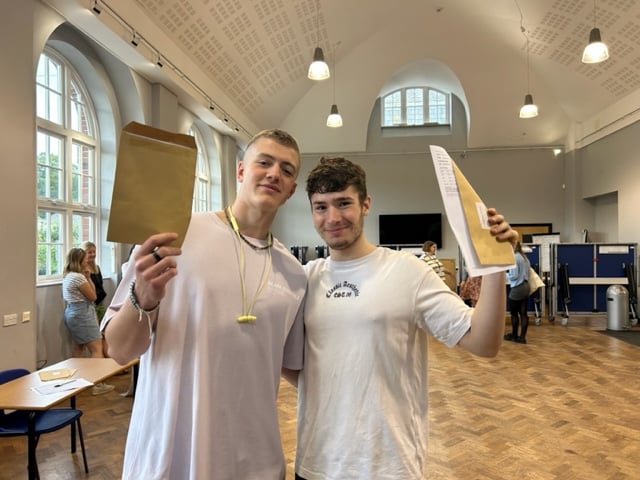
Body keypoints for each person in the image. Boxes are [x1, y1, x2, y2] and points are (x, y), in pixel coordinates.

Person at [293, 157, 518, 480]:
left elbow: (484, 342)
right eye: (321, 207)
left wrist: (494, 264)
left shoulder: (407, 270)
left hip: (388, 466)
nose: (332, 217)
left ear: (366, 204)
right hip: (316, 463)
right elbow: (293, 364)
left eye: (344, 203)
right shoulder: (305, 279)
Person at [101, 129, 306, 479]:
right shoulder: (176, 236)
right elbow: (118, 350)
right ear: (241, 171)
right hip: (169, 454)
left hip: (254, 460)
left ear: (292, 190)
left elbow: (294, 367)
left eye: (287, 170)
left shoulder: (294, 275)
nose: (275, 173)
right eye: (265, 162)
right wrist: (143, 298)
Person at [62, 247, 114, 395]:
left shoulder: (68, 275)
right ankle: (96, 384)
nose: (88, 260)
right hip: (82, 313)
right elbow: (93, 297)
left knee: (78, 348)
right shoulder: (78, 278)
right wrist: (87, 278)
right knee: (97, 348)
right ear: (79, 261)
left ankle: (74, 381)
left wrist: (89, 277)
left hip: (72, 312)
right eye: (85, 258)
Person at [504, 241, 531, 344]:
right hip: (525, 286)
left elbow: (514, 276)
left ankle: (514, 335)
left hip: (517, 288)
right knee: (523, 313)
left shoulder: (515, 257)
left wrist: (505, 274)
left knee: (514, 313)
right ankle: (522, 337)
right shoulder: (525, 258)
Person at [81, 241, 107, 320]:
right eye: (89, 252)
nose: (93, 254)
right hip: (90, 305)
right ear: (83, 254)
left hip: (100, 303)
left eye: (94, 252)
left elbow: (100, 285)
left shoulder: (97, 268)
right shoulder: (81, 270)